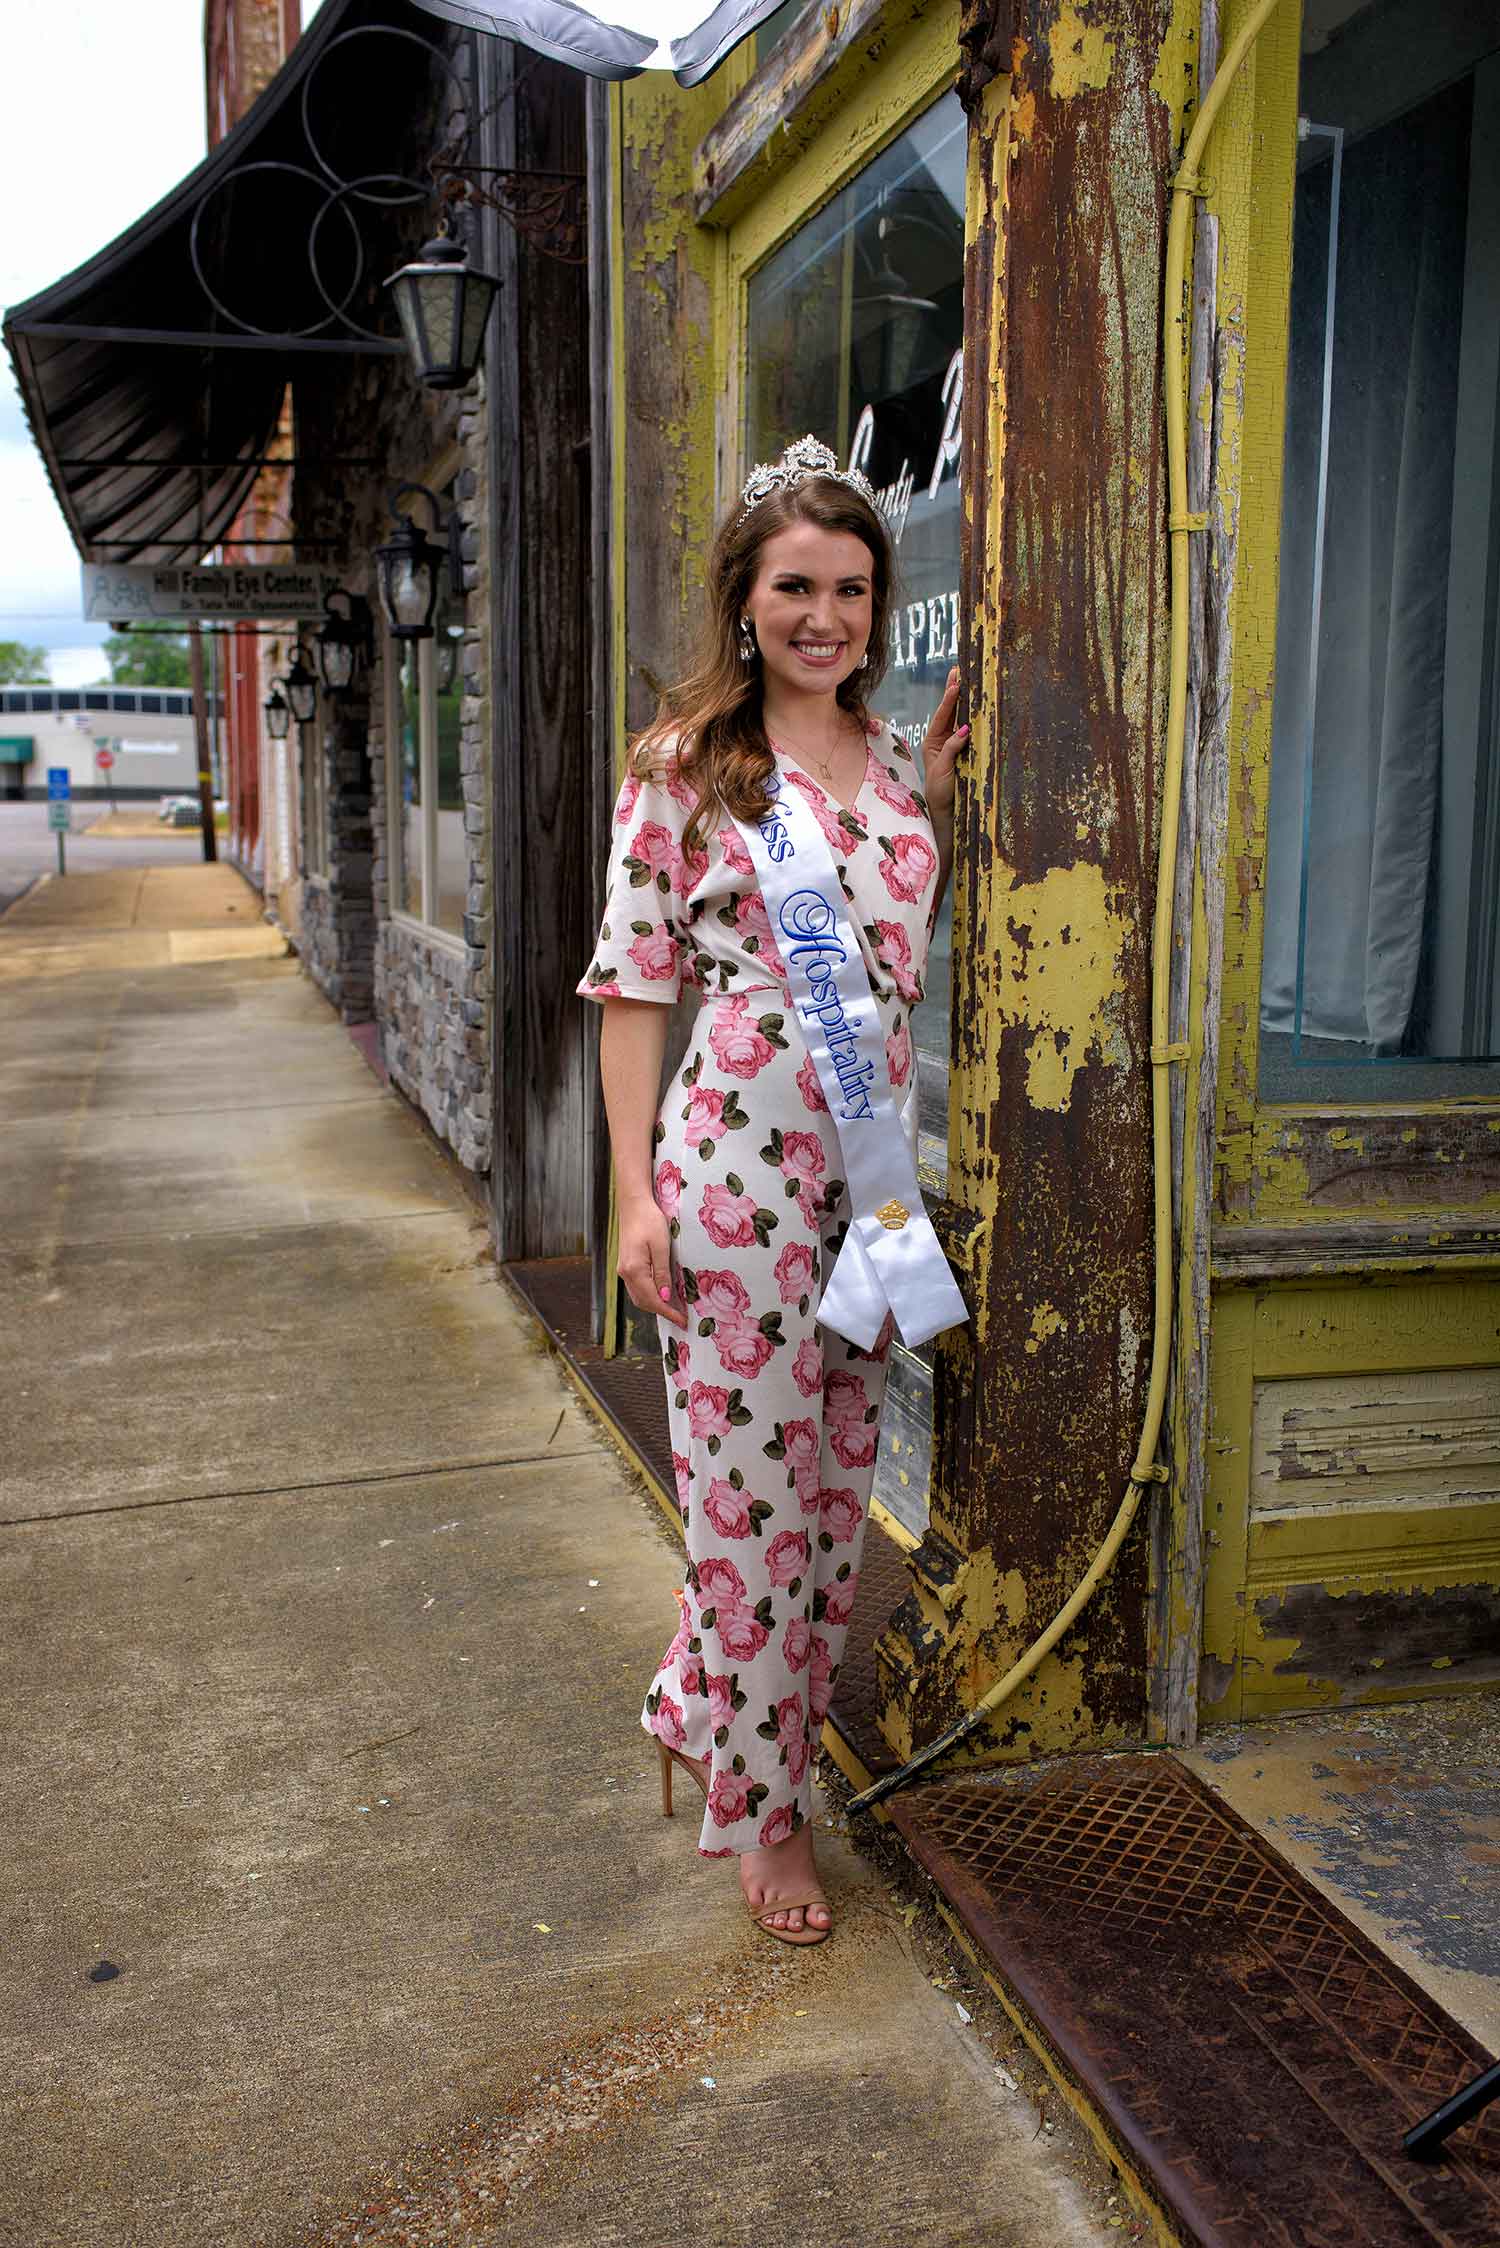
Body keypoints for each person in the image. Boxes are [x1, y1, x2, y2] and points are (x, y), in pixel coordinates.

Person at [577, 434, 967, 1944]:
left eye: (854, 588)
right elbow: (630, 992)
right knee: (747, 1512)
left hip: (865, 1188)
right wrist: (633, 1199)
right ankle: (767, 1813)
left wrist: (930, 794)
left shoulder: (895, 769)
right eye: (796, 586)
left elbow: (901, 963)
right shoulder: (688, 771)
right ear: (745, 599)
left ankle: (702, 1708)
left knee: (830, 1498)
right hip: (732, 1178)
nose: (827, 615)